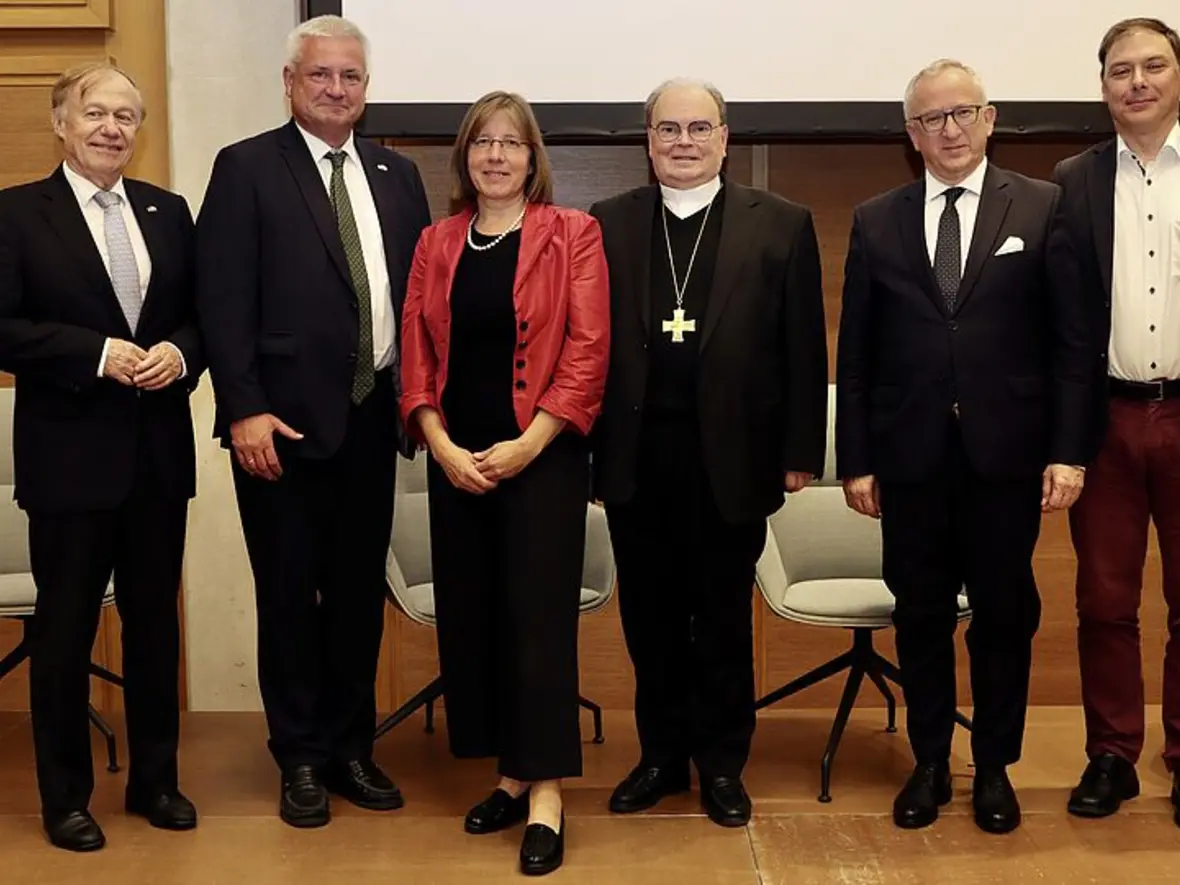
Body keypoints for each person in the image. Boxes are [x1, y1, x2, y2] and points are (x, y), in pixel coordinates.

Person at [836, 59, 1091, 834]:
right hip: (909, 459)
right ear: (909, 135)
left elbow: (1071, 344)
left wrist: (1068, 449)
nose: (947, 130)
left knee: (1004, 614)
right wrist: (856, 459)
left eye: (961, 114)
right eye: (929, 119)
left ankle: (995, 766)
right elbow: (856, 351)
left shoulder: (1045, 206)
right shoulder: (876, 217)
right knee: (919, 615)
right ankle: (928, 761)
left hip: (1006, 458)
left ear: (989, 119)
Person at [194, 15, 431, 828]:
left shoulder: (398, 175)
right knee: (290, 597)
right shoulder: (246, 167)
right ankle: (297, 755)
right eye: (321, 75)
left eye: (351, 77)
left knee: (361, 598)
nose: (337, 89)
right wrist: (245, 408)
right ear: (290, 82)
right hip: (281, 431)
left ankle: (350, 749)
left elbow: (415, 300)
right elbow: (222, 300)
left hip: (374, 422)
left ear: (368, 87)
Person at [588, 78, 827, 827]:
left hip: (735, 457)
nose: (683, 142)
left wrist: (800, 451)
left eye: (699, 128)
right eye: (668, 129)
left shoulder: (782, 222)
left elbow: (802, 344)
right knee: (650, 620)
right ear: (648, 140)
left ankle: (722, 763)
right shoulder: (607, 222)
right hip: (637, 454)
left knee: (722, 619)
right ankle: (660, 756)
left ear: (725, 137)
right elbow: (588, 349)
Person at [399, 90, 609, 876]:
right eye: (482, 143)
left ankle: (547, 793)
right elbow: (417, 358)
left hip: (542, 458)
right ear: (465, 157)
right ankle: (510, 774)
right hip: (458, 461)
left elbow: (588, 350)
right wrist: (442, 444)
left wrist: (530, 442)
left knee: (537, 625)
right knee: (475, 619)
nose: (495, 155)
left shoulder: (573, 234)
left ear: (532, 158)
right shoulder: (436, 242)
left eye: (510, 144)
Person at [0, 62, 202, 851]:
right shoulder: (17, 214)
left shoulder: (169, 211)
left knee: (155, 627)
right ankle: (66, 797)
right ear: (62, 122)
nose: (112, 128)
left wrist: (180, 357)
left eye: (126, 116)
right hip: (68, 461)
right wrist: (99, 352)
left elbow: (200, 317)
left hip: (157, 458)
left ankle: (157, 780)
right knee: (64, 633)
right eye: (96, 113)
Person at [1051, 18, 1180, 825]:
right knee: (1104, 598)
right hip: (1105, 417)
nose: (1137, 82)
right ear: (1102, 85)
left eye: (1154, 66)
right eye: (1120, 70)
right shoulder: (1072, 180)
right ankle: (1112, 754)